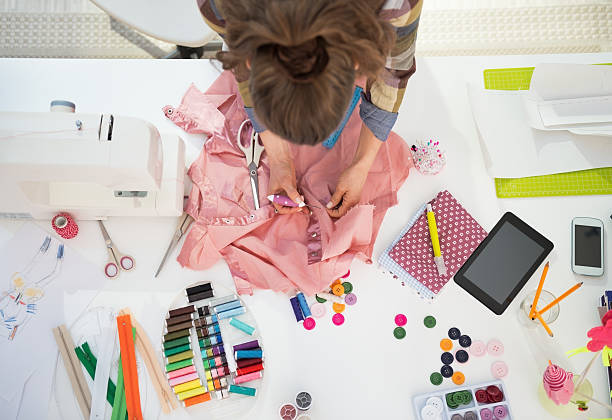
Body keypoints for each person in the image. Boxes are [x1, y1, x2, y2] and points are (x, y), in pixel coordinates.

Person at [198, 0, 421, 217]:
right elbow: (243, 68)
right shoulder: (219, 6)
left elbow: (394, 72)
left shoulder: (397, 4)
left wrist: (362, 164)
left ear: (356, 63)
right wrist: (279, 159)